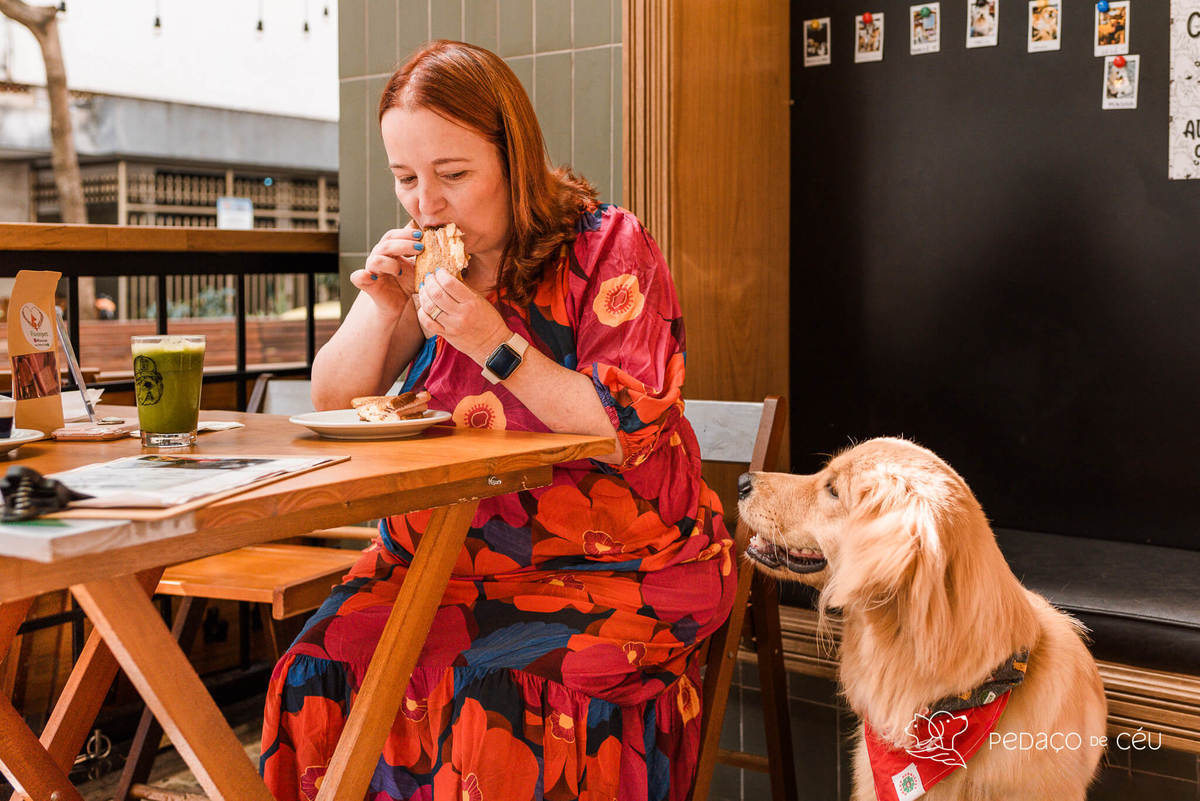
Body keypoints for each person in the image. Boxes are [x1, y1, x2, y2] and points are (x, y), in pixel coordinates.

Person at [260, 40, 733, 801]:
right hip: (444, 559)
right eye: (406, 178)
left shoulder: (608, 245)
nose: (426, 205)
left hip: (613, 565)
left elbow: (622, 430)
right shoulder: (429, 265)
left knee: (500, 684)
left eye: (452, 175)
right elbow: (331, 399)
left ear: (515, 158)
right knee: (323, 662)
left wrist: (493, 343)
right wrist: (382, 310)